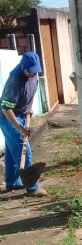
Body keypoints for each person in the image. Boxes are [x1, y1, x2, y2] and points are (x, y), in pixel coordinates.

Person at [0, 52, 47, 196]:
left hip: (21, 114)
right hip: (8, 117)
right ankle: (32, 188)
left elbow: (29, 93)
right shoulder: (15, 81)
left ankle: (12, 183)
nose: (33, 74)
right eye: (30, 71)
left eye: (35, 71)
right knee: (22, 149)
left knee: (11, 150)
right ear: (23, 67)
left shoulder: (34, 76)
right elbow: (6, 108)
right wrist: (19, 127)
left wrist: (28, 108)